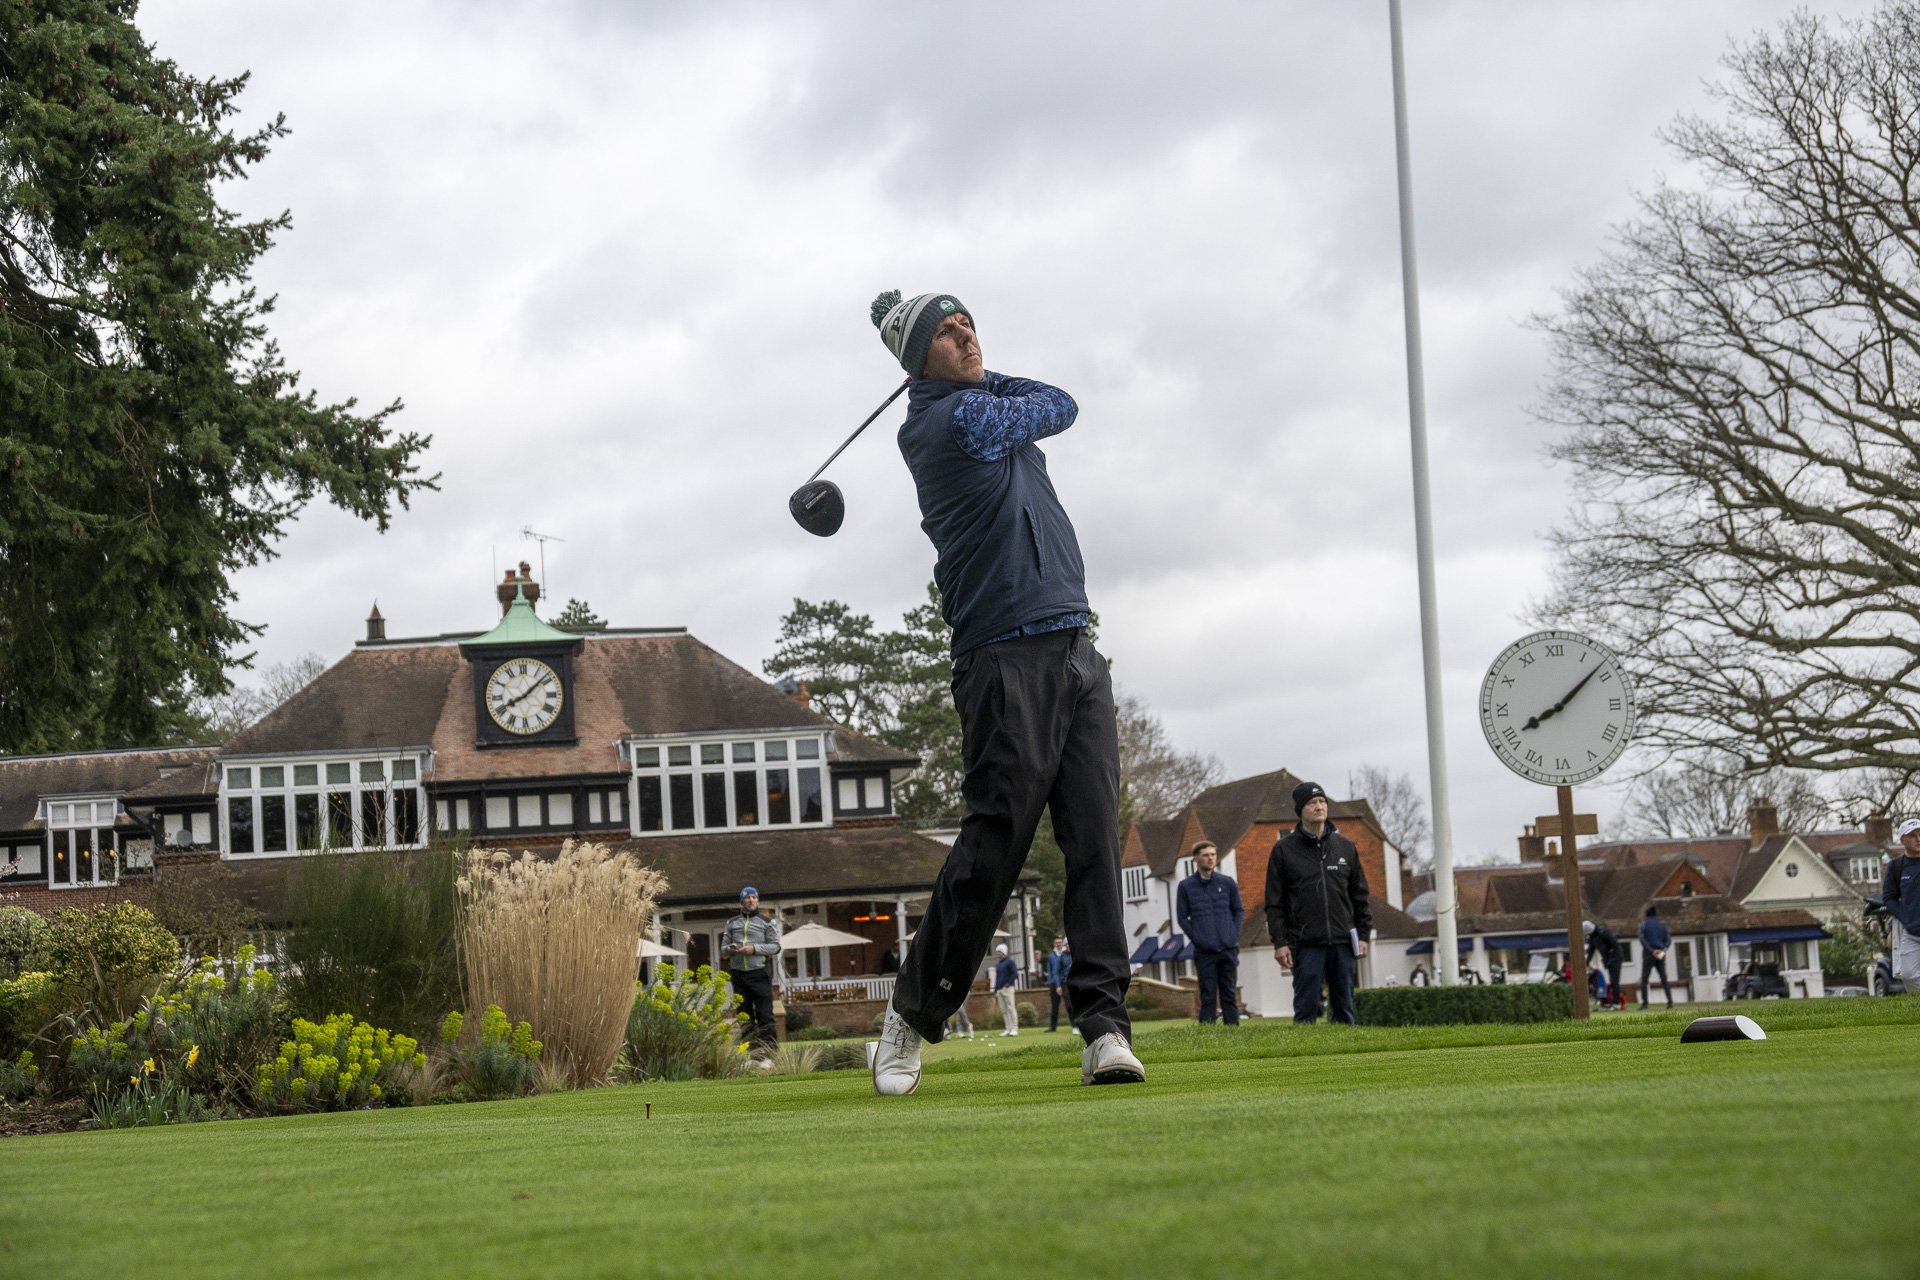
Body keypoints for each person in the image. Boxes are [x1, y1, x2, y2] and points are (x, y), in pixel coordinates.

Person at [864, 290, 1141, 1095]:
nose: (967, 338)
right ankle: (910, 1018)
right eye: (946, 334)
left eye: (970, 325)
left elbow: (1045, 402)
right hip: (1001, 659)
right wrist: (949, 374)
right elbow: (1060, 403)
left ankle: (1105, 1030)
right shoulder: (945, 425)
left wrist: (951, 361)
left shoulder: (977, 403)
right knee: (994, 848)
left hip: (1076, 649)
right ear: (919, 360)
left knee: (1094, 841)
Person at [1265, 782, 1371, 1025]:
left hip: (1342, 941)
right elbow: (1274, 902)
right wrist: (1280, 943)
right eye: (1312, 803)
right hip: (1305, 943)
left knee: (1344, 1007)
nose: (1319, 807)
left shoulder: (1345, 847)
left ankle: (1346, 1057)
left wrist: (1363, 934)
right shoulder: (1283, 850)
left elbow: (1359, 895)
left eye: (1322, 801)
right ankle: (1306, 1059)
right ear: (1300, 810)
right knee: (1306, 1008)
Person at [1176, 841, 1245, 1025]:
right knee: (1207, 995)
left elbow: (1238, 910)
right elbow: (1182, 918)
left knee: (1229, 993)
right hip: (1204, 951)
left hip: (1228, 948)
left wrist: (1233, 934)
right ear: (1196, 859)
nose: (1210, 858)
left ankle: (1233, 1031)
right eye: (1206, 855)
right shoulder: (1186, 887)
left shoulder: (1227, 883)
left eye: (1213, 855)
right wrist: (1198, 937)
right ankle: (1207, 1032)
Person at [721, 886, 783, 1057]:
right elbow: (723, 949)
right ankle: (752, 1054)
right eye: (747, 898)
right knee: (744, 1017)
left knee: (765, 1016)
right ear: (742, 901)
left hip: (759, 973)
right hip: (739, 975)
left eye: (754, 897)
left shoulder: (767, 922)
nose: (751, 900)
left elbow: (775, 947)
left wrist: (754, 949)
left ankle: (770, 1054)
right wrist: (731, 949)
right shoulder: (732, 923)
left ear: (758, 900)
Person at [1884, 817, 1920, 989]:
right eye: (1912, 835)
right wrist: (1905, 916)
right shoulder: (1895, 866)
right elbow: (1889, 898)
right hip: (1911, 933)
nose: (1918, 839)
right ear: (1902, 840)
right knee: (1907, 974)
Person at [1584, 920, 1625, 1010]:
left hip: (1615, 958)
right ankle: (1614, 1002)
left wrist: (1612, 957)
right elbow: (1591, 950)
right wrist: (1585, 964)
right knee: (1612, 981)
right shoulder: (1592, 937)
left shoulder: (1603, 932)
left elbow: (1615, 944)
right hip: (1608, 960)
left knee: (1614, 981)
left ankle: (1616, 1003)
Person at [1638, 905, 1674, 1009]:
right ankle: (1670, 1002)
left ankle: (1645, 1003)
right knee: (1664, 978)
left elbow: (1642, 939)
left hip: (1648, 954)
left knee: (1644, 979)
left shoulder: (1643, 924)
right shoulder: (1662, 925)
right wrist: (1663, 950)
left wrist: (1651, 950)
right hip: (1661, 954)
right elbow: (1668, 940)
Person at [1044, 936, 1073, 1032]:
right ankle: (1053, 1027)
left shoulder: (1068, 954)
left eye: (1060, 942)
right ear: (1054, 944)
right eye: (1057, 942)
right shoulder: (1051, 956)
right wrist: (1054, 984)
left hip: (1065, 982)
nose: (1059, 944)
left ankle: (1074, 1025)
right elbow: (1051, 970)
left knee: (1069, 1004)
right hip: (1054, 982)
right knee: (1054, 1006)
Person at [992, 944, 1020, 1036]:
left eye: (998, 951)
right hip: (1000, 990)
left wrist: (1008, 984)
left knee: (1011, 1008)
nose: (997, 953)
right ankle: (1008, 1028)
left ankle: (1015, 1029)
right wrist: (995, 989)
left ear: (1003, 952)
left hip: (1008, 989)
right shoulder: (999, 964)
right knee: (1004, 1010)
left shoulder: (1010, 962)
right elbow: (997, 977)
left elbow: (1014, 974)